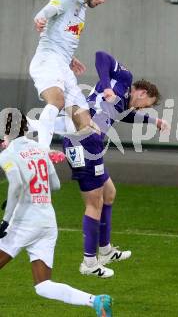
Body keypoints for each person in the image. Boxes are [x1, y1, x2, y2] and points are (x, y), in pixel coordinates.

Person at [62, 51, 170, 278]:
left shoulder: (122, 103)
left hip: (90, 143)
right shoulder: (124, 79)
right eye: (144, 105)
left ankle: (105, 251)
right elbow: (102, 56)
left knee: (109, 193)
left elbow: (125, 115)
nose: (140, 109)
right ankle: (89, 263)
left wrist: (154, 121)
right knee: (94, 203)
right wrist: (107, 86)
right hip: (82, 142)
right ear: (142, 92)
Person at [0, 111, 112, 317]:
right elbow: (55, 184)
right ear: (25, 128)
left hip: (23, 222)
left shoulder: (7, 154)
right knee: (43, 285)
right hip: (47, 223)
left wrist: (5, 220)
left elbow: (16, 184)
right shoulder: (40, 149)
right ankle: (95, 301)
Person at [29, 0, 112, 161]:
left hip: (62, 65)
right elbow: (48, 11)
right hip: (47, 60)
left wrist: (70, 58)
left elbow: (62, 33)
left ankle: (25, 125)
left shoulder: (81, 8)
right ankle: (43, 152)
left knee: (85, 125)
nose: (103, 0)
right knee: (56, 101)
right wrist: (41, 18)